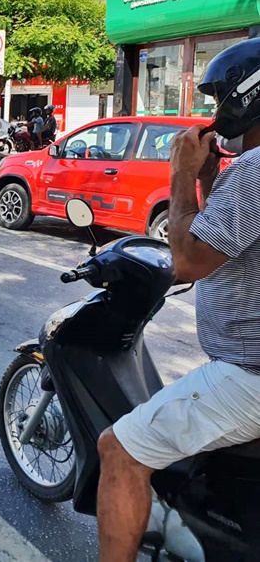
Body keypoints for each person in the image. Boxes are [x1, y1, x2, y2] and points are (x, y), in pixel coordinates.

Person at [96, 38, 260, 561]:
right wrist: (207, 180)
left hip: (249, 374)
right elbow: (223, 238)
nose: (213, 113)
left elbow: (188, 259)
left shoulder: (256, 169)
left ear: (245, 98)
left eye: (217, 101)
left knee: (119, 449)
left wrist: (182, 172)